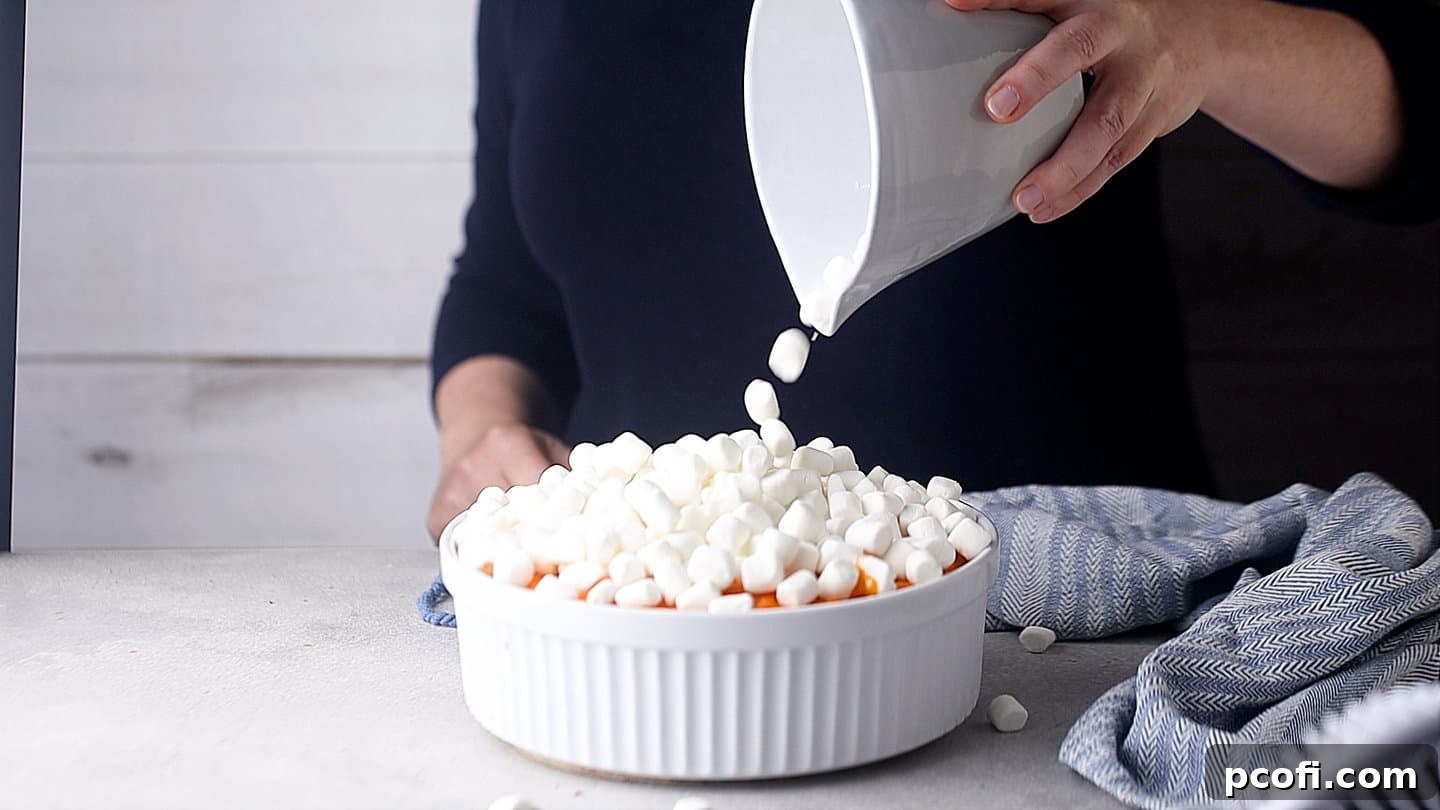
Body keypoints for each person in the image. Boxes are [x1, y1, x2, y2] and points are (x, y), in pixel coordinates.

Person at [427, 0, 1437, 540]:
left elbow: (1412, 130)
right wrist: (480, 439)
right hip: (660, 623)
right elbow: (507, 288)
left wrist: (1205, 36)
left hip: (1080, 643)